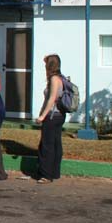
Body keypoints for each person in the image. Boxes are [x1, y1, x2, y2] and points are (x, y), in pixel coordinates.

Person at [33, 53, 65, 184]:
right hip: (59, 115)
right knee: (56, 144)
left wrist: (42, 116)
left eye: (46, 64)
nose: (45, 67)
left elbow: (51, 99)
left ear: (50, 65)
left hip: (52, 116)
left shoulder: (54, 79)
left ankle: (46, 174)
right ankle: (54, 172)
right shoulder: (61, 78)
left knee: (47, 145)